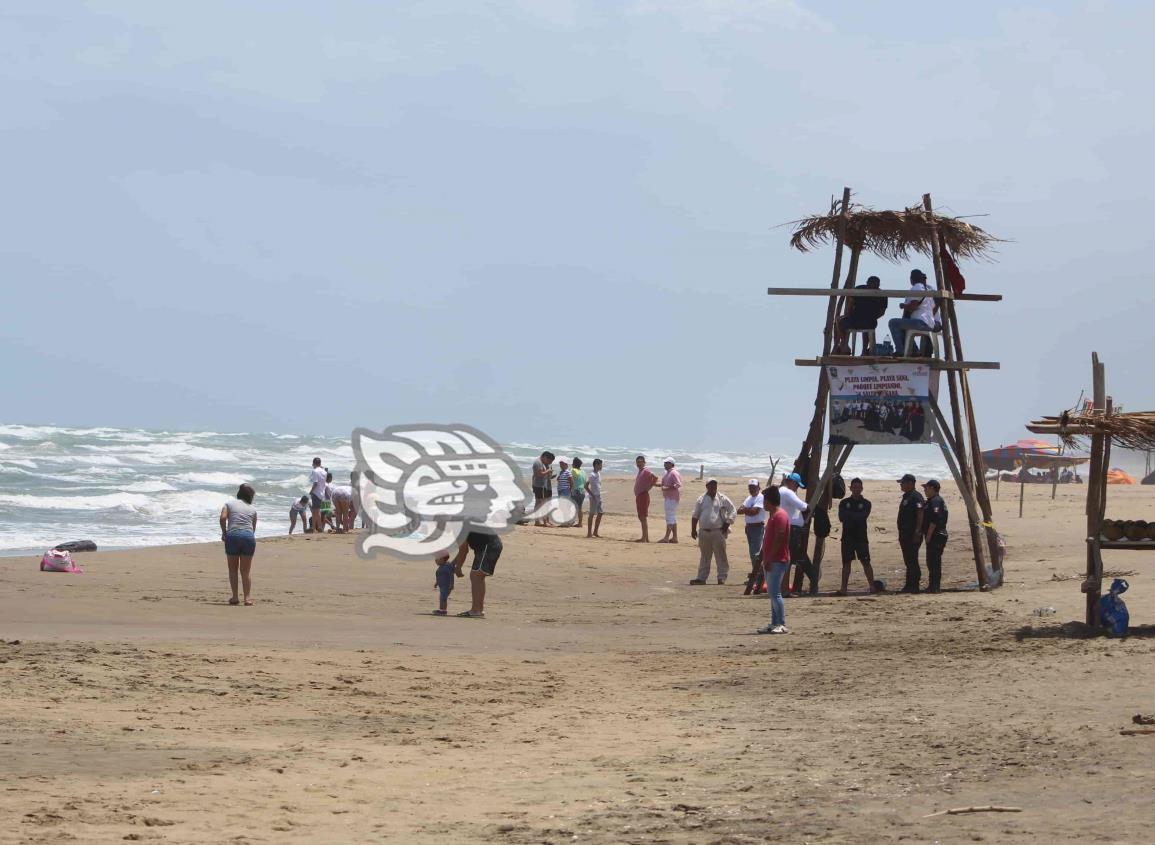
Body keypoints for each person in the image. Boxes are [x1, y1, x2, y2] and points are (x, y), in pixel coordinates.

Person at [446, 529, 503, 618]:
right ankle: (478, 609)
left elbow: (464, 550)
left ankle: (476, 610)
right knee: (477, 576)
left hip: (488, 546)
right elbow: (464, 549)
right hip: (485, 547)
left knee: (476, 576)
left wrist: (458, 568)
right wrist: (452, 565)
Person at [689, 478, 736, 585]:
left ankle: (722, 577)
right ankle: (701, 578)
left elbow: (733, 510)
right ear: (707, 486)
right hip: (704, 532)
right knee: (705, 556)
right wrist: (693, 529)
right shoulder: (701, 499)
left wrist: (728, 522)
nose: (713, 487)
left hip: (718, 531)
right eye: (711, 485)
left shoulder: (722, 498)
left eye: (715, 485)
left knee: (721, 555)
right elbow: (695, 515)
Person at [757, 485, 791, 634]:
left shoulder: (780, 515)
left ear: (769, 501)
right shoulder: (772, 516)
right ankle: (774, 622)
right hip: (770, 559)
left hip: (778, 559)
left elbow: (779, 537)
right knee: (771, 592)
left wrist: (770, 557)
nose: (763, 503)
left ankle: (781, 623)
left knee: (775, 592)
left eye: (764, 500)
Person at [837, 478, 877, 595]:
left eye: (858, 487)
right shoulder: (844, 502)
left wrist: (851, 515)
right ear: (850, 488)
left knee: (865, 562)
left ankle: (872, 586)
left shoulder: (866, 503)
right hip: (847, 537)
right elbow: (842, 517)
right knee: (846, 563)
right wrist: (855, 516)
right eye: (854, 487)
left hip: (861, 538)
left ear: (862, 488)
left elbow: (863, 517)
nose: (856, 489)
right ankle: (843, 588)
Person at [219, 483, 258, 606]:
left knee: (233, 569)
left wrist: (224, 532)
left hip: (233, 536)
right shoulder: (252, 509)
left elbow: (223, 518)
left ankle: (235, 597)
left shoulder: (229, 504)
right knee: (246, 571)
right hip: (248, 537)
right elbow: (253, 528)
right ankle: (247, 598)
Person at [781, 472, 817, 595]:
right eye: (797, 485)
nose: (797, 489)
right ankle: (786, 589)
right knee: (791, 558)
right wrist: (808, 508)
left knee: (787, 558)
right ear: (793, 483)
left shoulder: (780, 491)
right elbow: (803, 506)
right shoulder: (788, 493)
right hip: (792, 530)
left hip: (784, 527)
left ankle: (783, 588)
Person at [833, 275, 888, 354]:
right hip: (859, 319)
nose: (872, 287)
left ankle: (852, 347)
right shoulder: (860, 289)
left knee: (841, 322)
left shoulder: (881, 294)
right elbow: (882, 312)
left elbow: (850, 304)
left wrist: (871, 318)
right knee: (840, 321)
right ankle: (847, 346)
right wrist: (849, 315)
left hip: (865, 320)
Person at [888, 269, 937, 357]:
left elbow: (913, 306)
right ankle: (915, 351)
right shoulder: (927, 289)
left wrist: (904, 306)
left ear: (911, 279)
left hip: (920, 322)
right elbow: (933, 307)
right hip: (930, 323)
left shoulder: (917, 287)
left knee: (893, 323)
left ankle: (900, 351)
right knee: (904, 325)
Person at [896, 473, 925, 593]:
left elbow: (920, 514)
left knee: (912, 559)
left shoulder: (916, 497)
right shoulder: (906, 496)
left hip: (912, 534)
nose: (901, 485)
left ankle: (914, 585)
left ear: (910, 483)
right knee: (908, 560)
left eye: (902, 483)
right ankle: (909, 584)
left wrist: (918, 532)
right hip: (905, 534)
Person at [738, 479, 767, 595]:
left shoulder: (760, 497)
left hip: (757, 527)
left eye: (754, 487)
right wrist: (746, 510)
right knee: (752, 552)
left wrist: (745, 510)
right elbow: (740, 510)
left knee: (756, 553)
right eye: (750, 487)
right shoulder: (749, 498)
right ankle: (756, 575)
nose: (752, 489)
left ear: (758, 487)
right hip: (749, 527)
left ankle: (758, 576)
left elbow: (755, 511)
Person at [922, 479, 949, 593]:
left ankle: (935, 587)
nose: (925, 491)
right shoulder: (931, 501)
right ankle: (932, 585)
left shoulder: (936, 501)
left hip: (937, 535)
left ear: (932, 488)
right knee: (931, 561)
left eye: (926, 488)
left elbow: (934, 520)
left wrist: (928, 535)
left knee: (934, 562)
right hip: (935, 534)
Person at [633, 455, 659, 543]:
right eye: (637, 462)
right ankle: (646, 537)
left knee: (643, 517)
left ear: (644, 462)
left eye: (640, 462)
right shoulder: (640, 471)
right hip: (639, 495)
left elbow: (655, 478)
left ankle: (644, 538)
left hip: (643, 496)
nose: (639, 463)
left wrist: (650, 486)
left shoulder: (646, 470)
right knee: (641, 516)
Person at [658, 458, 683, 544]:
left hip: (672, 498)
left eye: (667, 463)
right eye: (664, 463)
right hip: (668, 497)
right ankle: (675, 537)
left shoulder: (673, 473)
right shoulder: (667, 473)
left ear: (672, 464)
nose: (665, 464)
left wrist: (667, 488)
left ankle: (666, 537)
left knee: (670, 517)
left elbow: (678, 484)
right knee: (672, 517)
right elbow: (663, 484)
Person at [531, 451, 555, 527]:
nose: (549, 462)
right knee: (541, 503)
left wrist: (550, 474)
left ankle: (540, 521)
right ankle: (542, 521)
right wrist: (548, 471)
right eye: (549, 460)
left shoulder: (543, 463)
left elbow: (540, 475)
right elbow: (539, 474)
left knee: (540, 503)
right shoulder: (538, 463)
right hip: (539, 486)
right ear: (544, 457)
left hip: (542, 485)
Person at [586, 458, 605, 538]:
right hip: (593, 497)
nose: (601, 466)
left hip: (599, 496)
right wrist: (592, 495)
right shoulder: (592, 475)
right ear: (596, 465)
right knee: (591, 514)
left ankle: (595, 532)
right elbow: (585, 486)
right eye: (600, 464)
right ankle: (589, 533)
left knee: (600, 513)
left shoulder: (598, 474)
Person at [308, 457, 327, 534]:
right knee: (316, 510)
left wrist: (311, 491)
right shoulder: (324, 472)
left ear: (314, 463)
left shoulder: (315, 471)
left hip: (316, 493)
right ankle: (315, 527)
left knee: (316, 510)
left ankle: (318, 527)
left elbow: (315, 483)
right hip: (322, 492)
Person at [570, 458, 587, 529]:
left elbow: (571, 480)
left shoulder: (573, 470)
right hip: (582, 491)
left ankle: (571, 521)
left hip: (576, 490)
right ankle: (580, 523)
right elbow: (585, 482)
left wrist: (570, 488)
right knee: (580, 508)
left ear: (574, 464)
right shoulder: (583, 472)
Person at [555, 459, 573, 526]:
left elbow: (571, 481)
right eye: (560, 464)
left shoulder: (568, 472)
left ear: (566, 465)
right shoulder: (561, 472)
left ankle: (566, 522)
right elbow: (558, 479)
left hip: (565, 490)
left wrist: (570, 490)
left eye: (562, 464)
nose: (561, 466)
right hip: (560, 490)